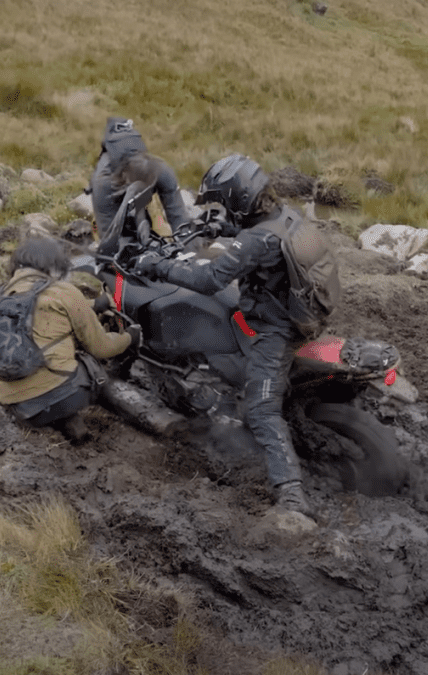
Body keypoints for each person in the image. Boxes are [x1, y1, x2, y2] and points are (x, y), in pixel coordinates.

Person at [132, 154, 319, 520]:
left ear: (238, 198)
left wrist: (159, 265)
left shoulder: (254, 241)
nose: (221, 206)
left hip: (275, 327)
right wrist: (223, 229)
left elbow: (209, 280)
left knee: (262, 409)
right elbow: (261, 245)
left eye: (223, 200)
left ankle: (292, 496)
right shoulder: (286, 216)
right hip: (301, 308)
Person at [0, 235, 140, 440]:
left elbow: (38, 309)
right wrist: (130, 337)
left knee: (48, 355)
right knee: (87, 359)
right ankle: (135, 415)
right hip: (65, 397)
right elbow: (102, 348)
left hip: (18, 408)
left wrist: (95, 305)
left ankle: (65, 421)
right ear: (52, 265)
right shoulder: (63, 292)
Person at [89, 117, 192, 255]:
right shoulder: (103, 182)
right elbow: (110, 239)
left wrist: (188, 254)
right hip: (113, 190)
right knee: (118, 254)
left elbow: (180, 220)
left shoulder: (161, 171)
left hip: (141, 182)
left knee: (162, 234)